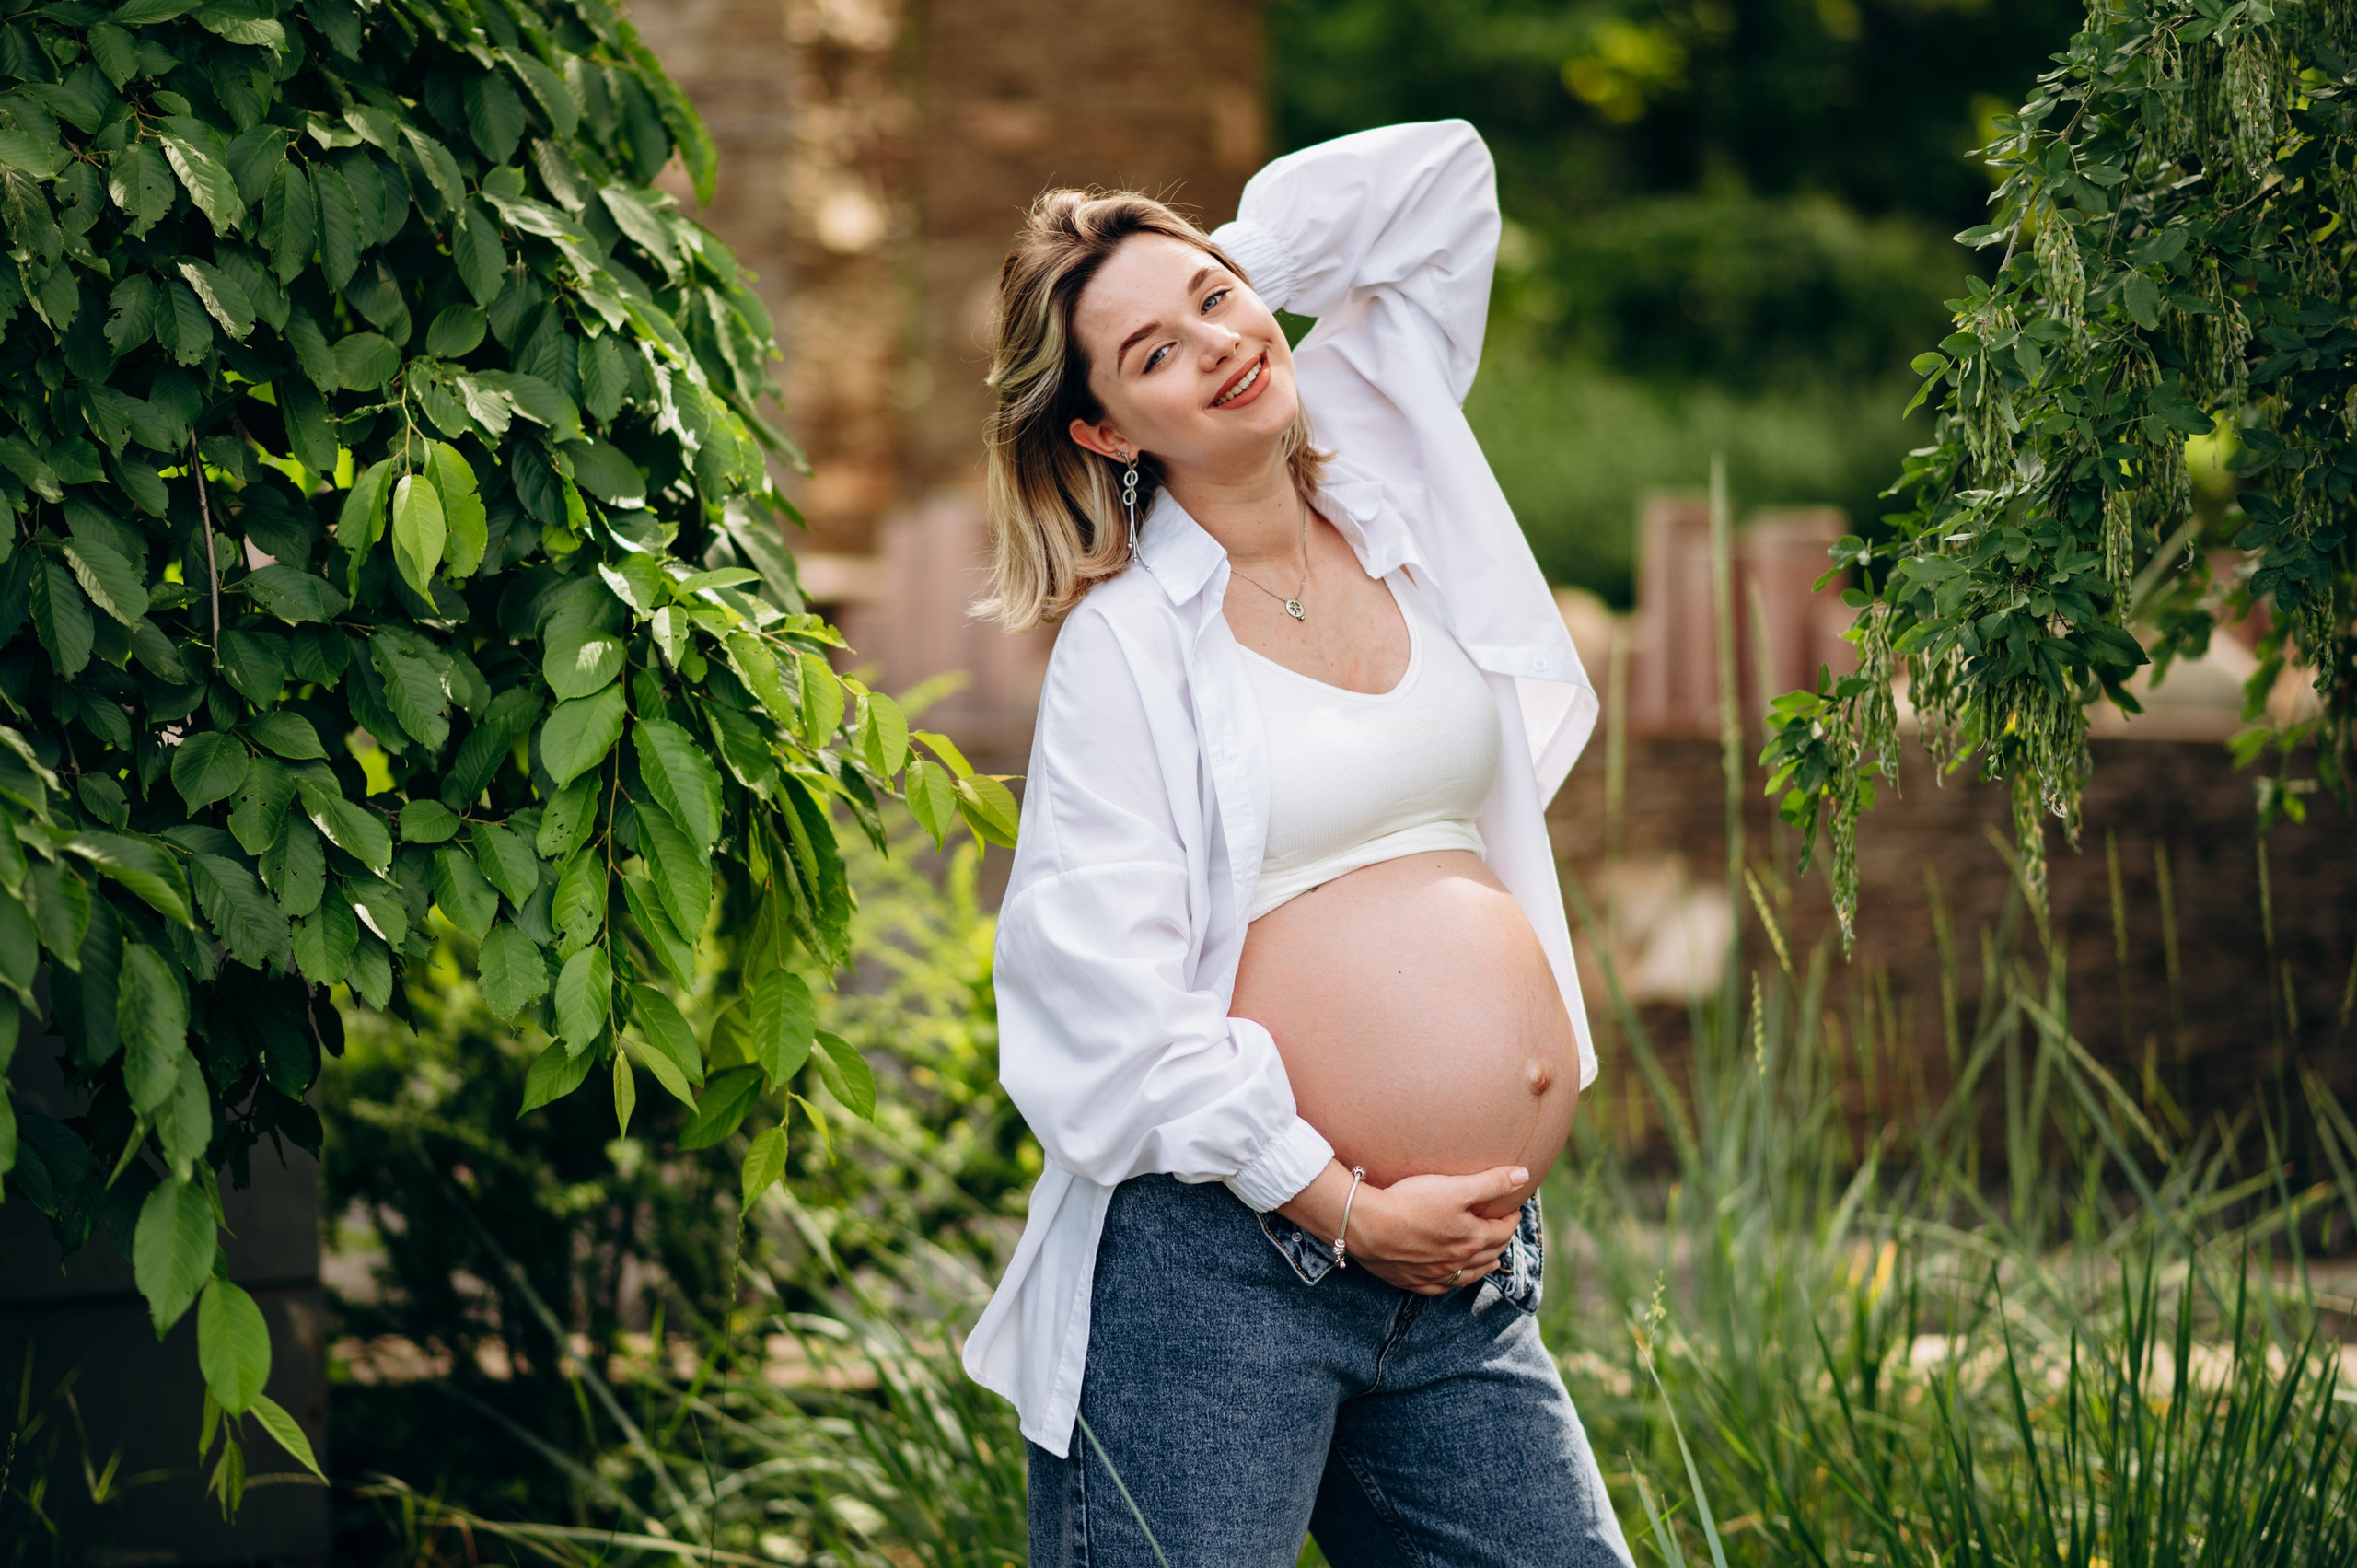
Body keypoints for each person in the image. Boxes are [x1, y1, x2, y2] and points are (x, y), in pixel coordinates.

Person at [962, 119, 1633, 1568]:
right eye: (1151, 358)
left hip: (1460, 1286)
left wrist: (1192, 276)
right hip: (1225, 1270)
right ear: (1104, 434)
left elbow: (1443, 183)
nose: (1216, 347)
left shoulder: (1395, 489)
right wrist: (1344, 1208)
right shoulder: (1128, 649)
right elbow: (1105, 1007)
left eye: (1219, 303)